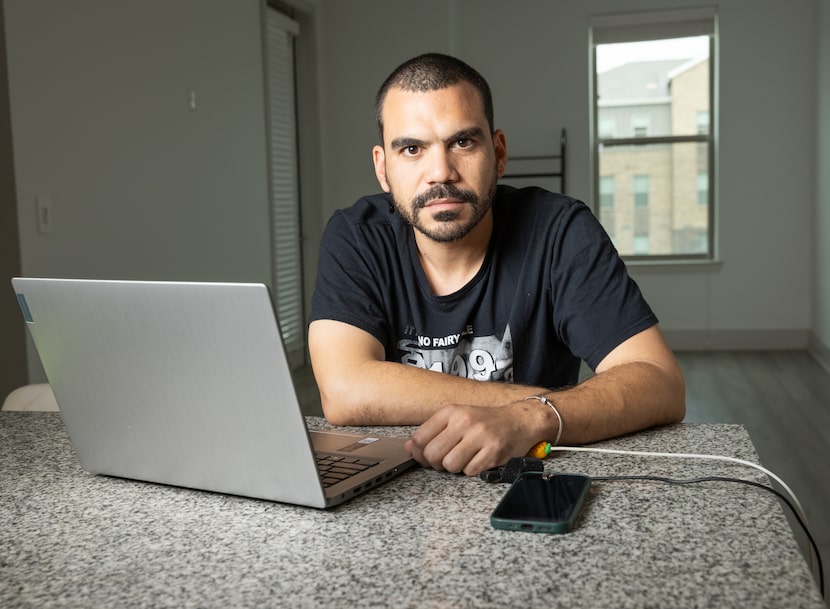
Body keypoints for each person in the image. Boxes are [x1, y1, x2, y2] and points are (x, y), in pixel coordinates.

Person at [308, 53, 685, 476]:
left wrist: (528, 420)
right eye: (412, 149)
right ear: (383, 168)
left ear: (499, 152)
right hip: (399, 484)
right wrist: (540, 405)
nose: (441, 173)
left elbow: (660, 382)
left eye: (463, 142)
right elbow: (344, 391)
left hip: (530, 483)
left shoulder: (559, 231)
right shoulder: (357, 236)